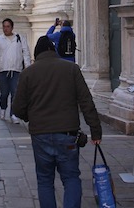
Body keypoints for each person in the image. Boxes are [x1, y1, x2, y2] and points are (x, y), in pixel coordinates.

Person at [12, 36, 102, 208]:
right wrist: (95, 130)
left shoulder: (28, 73)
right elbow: (86, 102)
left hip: (40, 135)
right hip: (68, 134)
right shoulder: (71, 69)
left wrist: (31, 116)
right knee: (71, 178)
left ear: (37, 54)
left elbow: (17, 109)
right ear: (53, 51)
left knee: (45, 180)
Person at [0, 18, 32, 123]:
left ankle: (14, 114)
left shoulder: (20, 38)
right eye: (4, 26)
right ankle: (3, 109)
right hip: (3, 70)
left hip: (16, 70)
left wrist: (28, 67)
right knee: (4, 93)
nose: (5, 29)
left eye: (8, 26)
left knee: (15, 93)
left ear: (12, 27)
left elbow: (26, 53)